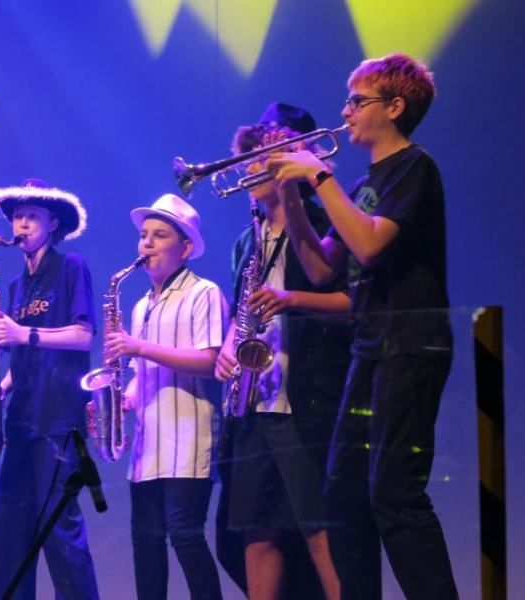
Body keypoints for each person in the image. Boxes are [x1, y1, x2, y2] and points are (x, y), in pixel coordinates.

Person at [266, 53, 457, 599]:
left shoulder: (415, 166)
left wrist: (319, 174)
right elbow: (326, 268)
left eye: (357, 101)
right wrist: (290, 196)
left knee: (394, 495)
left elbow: (370, 245)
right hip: (370, 347)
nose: (345, 111)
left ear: (394, 107)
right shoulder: (364, 182)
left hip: (410, 344)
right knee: (342, 497)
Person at [213, 103, 351, 600]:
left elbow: (345, 298)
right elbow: (239, 312)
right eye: (249, 157)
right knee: (256, 529)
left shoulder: (322, 219)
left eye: (263, 156)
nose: (252, 167)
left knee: (319, 527)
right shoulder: (243, 243)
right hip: (256, 402)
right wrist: (229, 347)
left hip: (305, 397)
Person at [104, 193, 227, 600]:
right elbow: (143, 374)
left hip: (190, 440)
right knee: (146, 543)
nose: (148, 244)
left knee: (186, 537)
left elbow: (211, 360)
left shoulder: (203, 292)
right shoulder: (141, 306)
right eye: (144, 236)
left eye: (160, 235)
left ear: (186, 248)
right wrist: (125, 398)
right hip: (149, 444)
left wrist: (138, 348)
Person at [0, 179, 100, 599]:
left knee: (60, 534)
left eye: (32, 216)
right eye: (17, 216)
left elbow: (83, 336)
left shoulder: (72, 268)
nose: (23, 224)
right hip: (22, 422)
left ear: (53, 223)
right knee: (10, 537)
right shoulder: (15, 287)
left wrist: (23, 333)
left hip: (57, 417)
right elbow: (22, 355)